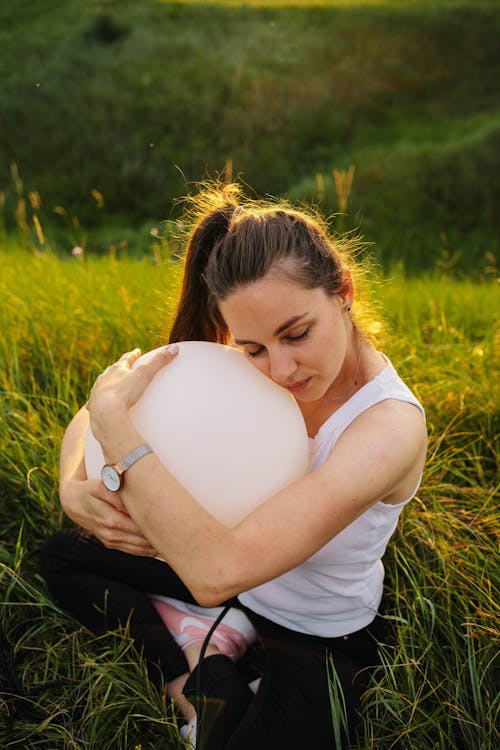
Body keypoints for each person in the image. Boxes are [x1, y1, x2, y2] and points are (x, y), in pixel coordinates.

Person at [40, 183, 427, 749]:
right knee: (65, 554)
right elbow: (96, 411)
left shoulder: (388, 427)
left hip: (313, 628)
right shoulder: (254, 361)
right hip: (229, 582)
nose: (281, 368)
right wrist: (74, 483)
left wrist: (114, 427)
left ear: (342, 290)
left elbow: (216, 570)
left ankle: (204, 673)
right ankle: (196, 656)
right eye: (253, 349)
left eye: (297, 334)